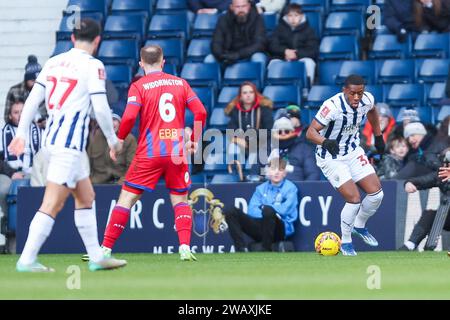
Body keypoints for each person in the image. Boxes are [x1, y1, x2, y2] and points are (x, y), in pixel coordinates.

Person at [8, 18, 126, 272]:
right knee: (52, 203)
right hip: (68, 145)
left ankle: (96, 257)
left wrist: (21, 133)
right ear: (97, 41)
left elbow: (32, 102)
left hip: (54, 140)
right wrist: (113, 140)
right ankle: (27, 260)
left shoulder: (52, 62)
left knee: (86, 196)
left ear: (72, 39)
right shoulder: (93, 66)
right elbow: (101, 109)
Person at [95, 44, 207, 262]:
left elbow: (127, 118)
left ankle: (105, 249)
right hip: (175, 151)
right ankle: (184, 248)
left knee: (126, 199)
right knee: (180, 200)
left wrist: (118, 141)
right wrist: (194, 140)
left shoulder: (139, 86)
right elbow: (201, 111)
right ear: (163, 61)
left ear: (141, 63)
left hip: (150, 152)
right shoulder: (180, 83)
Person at [306, 74, 386, 256]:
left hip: (353, 151)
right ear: (344, 91)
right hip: (330, 157)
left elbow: (372, 111)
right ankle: (346, 242)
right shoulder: (331, 106)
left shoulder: (367, 100)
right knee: (354, 199)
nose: (357, 97)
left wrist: (379, 136)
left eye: (360, 93)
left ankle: (359, 225)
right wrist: (325, 142)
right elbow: (310, 133)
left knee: (376, 195)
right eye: (352, 93)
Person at [225, 157, 298, 252]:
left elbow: (285, 209)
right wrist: (264, 212)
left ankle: (266, 249)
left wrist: (266, 209)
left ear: (284, 173)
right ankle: (241, 249)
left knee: (268, 210)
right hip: (261, 225)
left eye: (280, 170)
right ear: (268, 171)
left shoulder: (290, 188)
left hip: (280, 229)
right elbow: (252, 210)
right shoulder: (260, 188)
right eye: (273, 169)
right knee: (230, 211)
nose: (276, 172)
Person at [401, 148, 450, 251]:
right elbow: (424, 180)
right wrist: (409, 183)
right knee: (430, 214)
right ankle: (411, 244)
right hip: (448, 216)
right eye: (447, 163)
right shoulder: (442, 174)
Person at [0, 99, 41, 218]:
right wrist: (12, 173)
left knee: (38, 187)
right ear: (10, 115)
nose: (20, 115)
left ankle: (33, 219)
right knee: (4, 189)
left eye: (22, 112)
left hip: (32, 172)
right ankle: (9, 219)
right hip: (8, 173)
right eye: (16, 112)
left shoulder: (38, 131)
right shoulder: (3, 132)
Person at [225, 81, 273, 179]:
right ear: (240, 96)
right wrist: (238, 140)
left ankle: (255, 177)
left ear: (255, 94)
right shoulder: (235, 111)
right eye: (245, 93)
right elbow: (230, 131)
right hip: (243, 145)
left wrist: (251, 137)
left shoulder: (264, 109)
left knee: (258, 156)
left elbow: (269, 131)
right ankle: (236, 177)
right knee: (232, 148)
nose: (248, 95)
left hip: (261, 144)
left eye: (251, 92)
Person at [207, 0, 267, 76]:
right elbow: (216, 42)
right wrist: (222, 55)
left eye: (243, 6)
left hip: (248, 54)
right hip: (227, 55)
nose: (241, 10)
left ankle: (255, 85)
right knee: (210, 59)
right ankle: (216, 86)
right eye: (237, 7)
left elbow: (260, 44)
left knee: (258, 58)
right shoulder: (223, 19)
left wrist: (238, 54)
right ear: (231, 7)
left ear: (249, 6)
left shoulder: (257, 19)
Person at [268, 3, 319, 85]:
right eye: (290, 15)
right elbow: (272, 45)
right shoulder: (279, 29)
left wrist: (296, 54)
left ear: (302, 16)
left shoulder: (309, 30)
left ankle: (307, 88)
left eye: (296, 15)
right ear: (286, 17)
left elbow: (312, 50)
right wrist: (284, 51)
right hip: (282, 56)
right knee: (273, 63)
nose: (293, 19)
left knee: (309, 63)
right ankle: (274, 87)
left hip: (301, 57)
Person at [87, 113, 137, 184]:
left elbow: (132, 167)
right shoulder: (94, 137)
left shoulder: (129, 139)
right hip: (97, 183)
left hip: (121, 184)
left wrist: (122, 183)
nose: (111, 123)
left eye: (114, 119)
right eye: (108, 119)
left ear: (120, 122)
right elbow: (86, 165)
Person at [270, 116, 321, 181]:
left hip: (298, 189)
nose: (283, 134)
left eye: (286, 131)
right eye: (279, 132)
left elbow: (313, 174)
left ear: (292, 132)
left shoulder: (303, 149)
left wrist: (305, 190)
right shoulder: (267, 149)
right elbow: (258, 174)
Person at [4, 55, 45, 127]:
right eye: (32, 80)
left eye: (38, 80)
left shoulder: (46, 90)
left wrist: (44, 122)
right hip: (20, 130)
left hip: (42, 131)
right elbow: (7, 117)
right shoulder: (14, 91)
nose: (35, 82)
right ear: (26, 79)